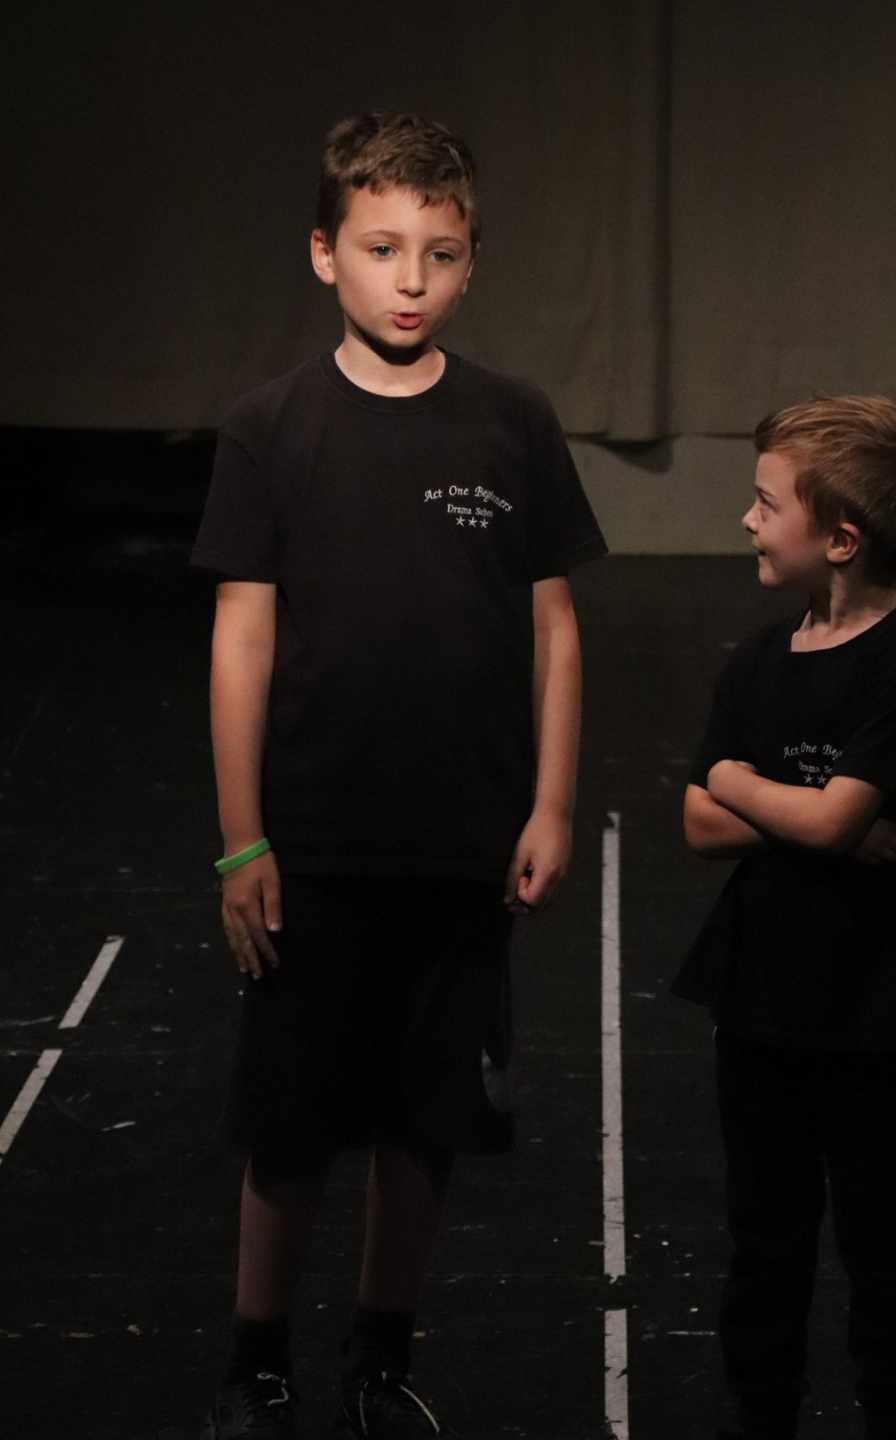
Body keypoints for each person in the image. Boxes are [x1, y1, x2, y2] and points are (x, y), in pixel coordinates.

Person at [190, 111, 606, 1440]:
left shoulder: (513, 423)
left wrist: (546, 803)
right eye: (381, 248)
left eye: (438, 252)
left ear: (473, 261)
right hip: (314, 844)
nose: (410, 279)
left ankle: (381, 1356)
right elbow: (242, 637)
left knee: (427, 1124)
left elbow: (551, 626)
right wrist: (243, 839)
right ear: (326, 256)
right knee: (295, 1123)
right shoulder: (269, 427)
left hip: (462, 843)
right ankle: (257, 1362)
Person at [675, 396, 896, 1440]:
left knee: (882, 1239)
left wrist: (741, 782)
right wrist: (785, 808)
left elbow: (834, 820)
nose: (749, 522)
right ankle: (763, 1412)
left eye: (765, 504)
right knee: (766, 1234)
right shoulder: (761, 659)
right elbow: (702, 825)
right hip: (761, 1002)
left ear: (840, 538)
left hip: (871, 1013)